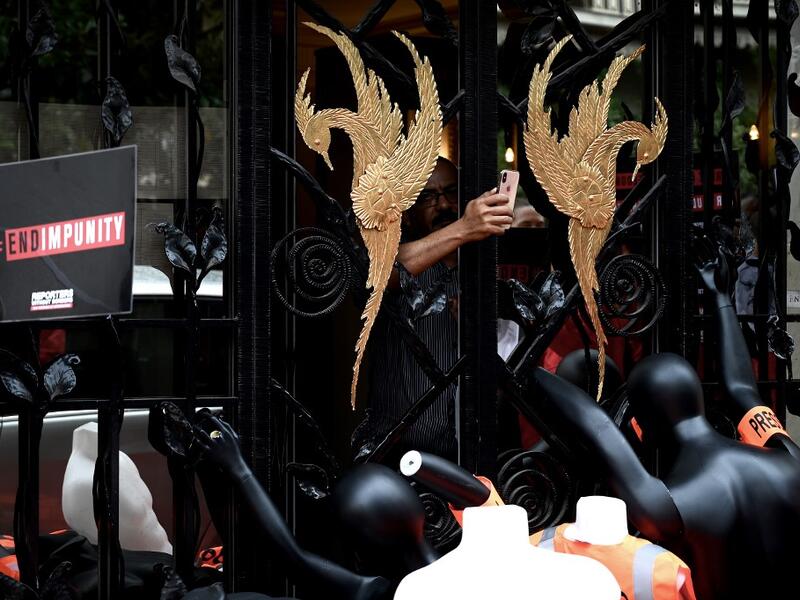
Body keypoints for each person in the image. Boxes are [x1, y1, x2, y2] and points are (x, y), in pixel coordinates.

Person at [353, 157, 513, 461]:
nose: (443, 205)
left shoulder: (482, 272)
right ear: (407, 215)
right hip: (397, 457)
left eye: (451, 192)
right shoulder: (404, 269)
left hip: (474, 459)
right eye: (427, 197)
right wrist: (464, 228)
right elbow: (376, 271)